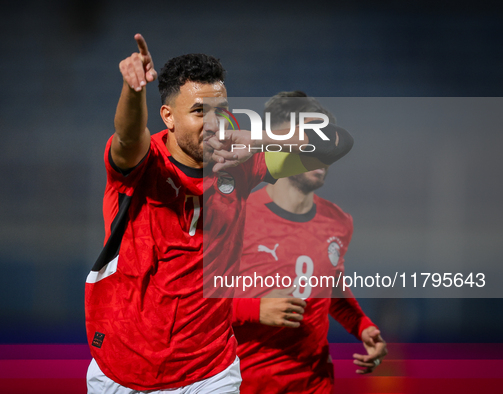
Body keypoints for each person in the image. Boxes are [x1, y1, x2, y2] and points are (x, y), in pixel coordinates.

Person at [85, 35, 354, 394]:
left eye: (220, 109)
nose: (213, 122)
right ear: (167, 116)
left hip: (210, 371)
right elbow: (128, 135)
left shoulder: (239, 162)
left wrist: (258, 140)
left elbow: (337, 141)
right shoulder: (142, 164)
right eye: (199, 112)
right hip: (123, 365)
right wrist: (133, 91)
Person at [232, 92, 387, 394]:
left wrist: (363, 326)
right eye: (314, 143)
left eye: (327, 146)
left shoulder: (339, 222)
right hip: (245, 382)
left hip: (314, 383)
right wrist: (255, 309)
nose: (324, 154)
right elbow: (195, 302)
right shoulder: (236, 215)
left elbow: (330, 288)